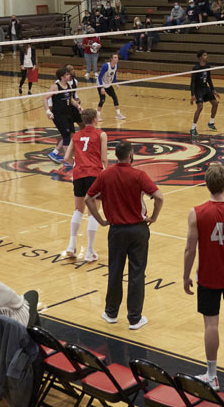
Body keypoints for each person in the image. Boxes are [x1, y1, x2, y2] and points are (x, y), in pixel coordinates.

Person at [183, 163, 224, 389]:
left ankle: (211, 375)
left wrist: (185, 275)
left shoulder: (197, 212)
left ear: (206, 184)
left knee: (211, 325)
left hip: (208, 276)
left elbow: (190, 249)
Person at [86, 141, 164, 330]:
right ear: (131, 156)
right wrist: (153, 217)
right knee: (137, 273)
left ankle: (111, 313)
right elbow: (159, 197)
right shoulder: (139, 175)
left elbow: (89, 198)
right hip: (138, 230)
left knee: (115, 271)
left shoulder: (106, 174)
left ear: (115, 155)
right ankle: (135, 319)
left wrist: (100, 219)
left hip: (116, 230)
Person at [61, 109, 107, 262]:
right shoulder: (101, 134)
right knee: (93, 211)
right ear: (94, 119)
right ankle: (89, 251)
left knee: (78, 210)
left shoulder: (76, 136)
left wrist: (77, 163)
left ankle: (71, 246)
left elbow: (66, 157)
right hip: (95, 174)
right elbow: (104, 159)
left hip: (79, 174)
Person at [43, 68, 82, 165]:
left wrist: (78, 106)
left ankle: (54, 153)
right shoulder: (55, 87)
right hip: (59, 115)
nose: (70, 76)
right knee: (66, 136)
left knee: (72, 134)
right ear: (62, 77)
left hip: (68, 114)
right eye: (68, 74)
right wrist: (48, 111)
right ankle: (67, 159)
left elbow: (71, 98)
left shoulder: (68, 85)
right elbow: (44, 98)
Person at [190, 50, 220, 136]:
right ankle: (193, 128)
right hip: (198, 89)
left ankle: (211, 123)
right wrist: (192, 95)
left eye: (206, 55)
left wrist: (213, 90)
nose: (206, 57)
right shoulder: (196, 68)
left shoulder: (208, 66)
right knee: (200, 107)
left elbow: (209, 79)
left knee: (215, 104)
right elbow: (192, 82)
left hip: (205, 88)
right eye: (204, 55)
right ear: (200, 58)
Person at [97, 53, 124, 121]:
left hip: (108, 84)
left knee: (115, 97)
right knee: (102, 99)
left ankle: (118, 114)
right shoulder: (106, 66)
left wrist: (115, 83)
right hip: (101, 84)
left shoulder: (116, 65)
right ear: (111, 59)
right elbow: (100, 77)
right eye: (115, 57)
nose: (116, 59)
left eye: (117, 57)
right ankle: (97, 116)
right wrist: (102, 87)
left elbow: (114, 75)